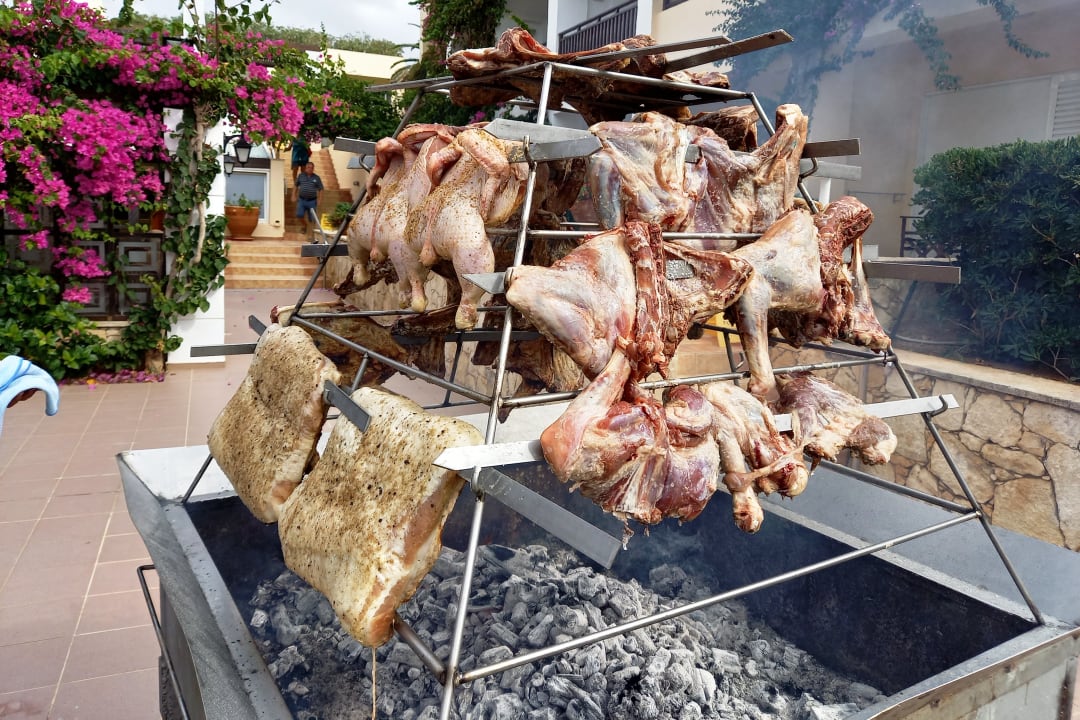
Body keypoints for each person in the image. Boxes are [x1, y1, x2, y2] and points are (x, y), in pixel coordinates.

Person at [293, 161, 324, 235]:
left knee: (312, 218)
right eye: (308, 167)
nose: (310, 169)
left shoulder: (317, 178)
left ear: (313, 169)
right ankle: (305, 225)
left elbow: (321, 189)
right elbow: (296, 185)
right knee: (299, 215)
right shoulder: (301, 176)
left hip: (312, 201)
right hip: (302, 200)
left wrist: (319, 199)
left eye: (311, 168)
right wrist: (293, 195)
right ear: (305, 168)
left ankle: (311, 233)